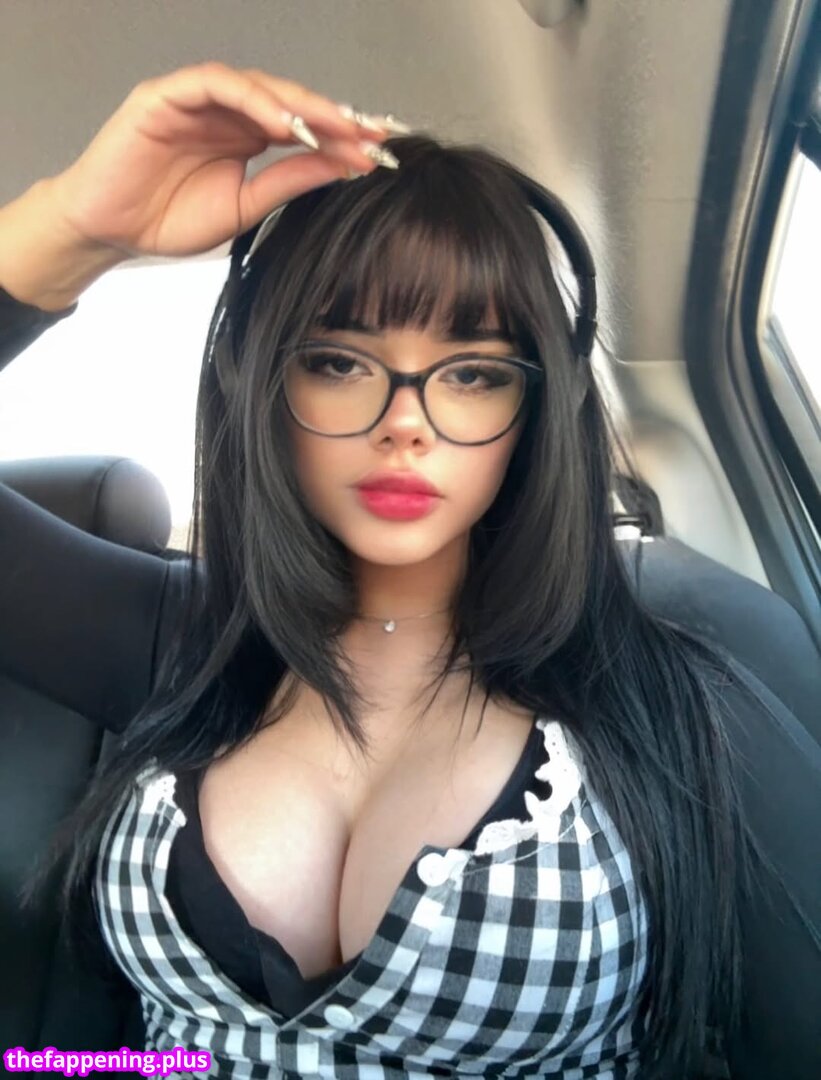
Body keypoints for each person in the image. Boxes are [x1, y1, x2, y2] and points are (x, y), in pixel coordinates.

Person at [0, 61, 777, 1079]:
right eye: (338, 361)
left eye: (472, 373)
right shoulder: (176, 642)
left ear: (533, 409)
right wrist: (69, 228)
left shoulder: (671, 690)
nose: (405, 423)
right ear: (264, 384)